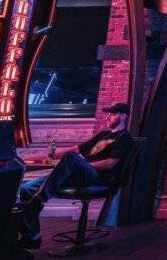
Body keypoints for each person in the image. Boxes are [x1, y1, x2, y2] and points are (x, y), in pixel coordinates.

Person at [16, 102, 135, 249]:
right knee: (26, 189)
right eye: (108, 114)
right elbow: (76, 148)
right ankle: (31, 236)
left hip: (97, 177)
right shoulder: (103, 135)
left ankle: (39, 199)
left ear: (123, 116)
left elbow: (110, 163)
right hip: (78, 173)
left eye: (113, 114)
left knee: (72, 158)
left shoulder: (125, 137)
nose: (108, 117)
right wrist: (49, 155)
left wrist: (81, 165)